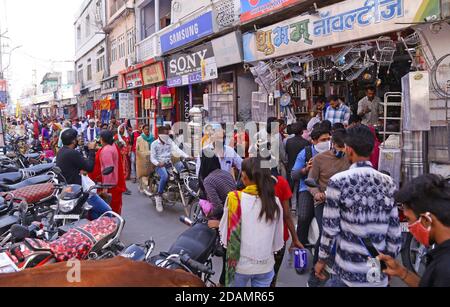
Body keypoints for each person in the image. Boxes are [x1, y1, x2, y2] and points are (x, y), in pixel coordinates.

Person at [315, 125, 402, 287]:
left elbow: (330, 228)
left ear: (349, 150)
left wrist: (321, 260)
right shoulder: (388, 182)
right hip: (376, 270)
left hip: (348, 271)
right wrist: (388, 264)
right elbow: (394, 233)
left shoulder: (338, 182)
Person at [219, 157, 284, 287]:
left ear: (244, 177)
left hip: (239, 266)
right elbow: (277, 243)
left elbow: (225, 236)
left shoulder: (234, 198)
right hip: (265, 266)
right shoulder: (275, 201)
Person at [378, 174, 450, 287]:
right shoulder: (442, 259)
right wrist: (401, 272)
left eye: (408, 219)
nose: (410, 227)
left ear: (426, 220)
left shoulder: (444, 269)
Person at [306, 129, 351, 287]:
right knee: (325, 233)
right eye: (339, 147)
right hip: (324, 201)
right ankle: (315, 272)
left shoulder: (351, 158)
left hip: (345, 202)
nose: (342, 150)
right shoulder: (319, 159)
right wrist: (317, 193)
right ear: (332, 144)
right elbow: (310, 180)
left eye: (345, 147)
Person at [199, 152, 237, 287]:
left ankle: (222, 283)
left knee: (228, 254)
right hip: (236, 212)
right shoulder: (225, 173)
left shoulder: (208, 180)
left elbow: (218, 207)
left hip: (226, 217)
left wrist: (209, 217)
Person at [56, 129, 112, 219]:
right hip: (78, 191)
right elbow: (89, 167)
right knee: (107, 210)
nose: (78, 139)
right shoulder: (72, 153)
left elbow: (77, 165)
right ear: (73, 141)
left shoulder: (61, 151)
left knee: (94, 212)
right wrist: (92, 150)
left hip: (68, 190)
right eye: (77, 138)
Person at [291, 127, 331, 246]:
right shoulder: (305, 153)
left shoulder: (333, 152)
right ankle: (300, 245)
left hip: (327, 190)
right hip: (307, 189)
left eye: (328, 139)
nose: (326, 142)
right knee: (303, 217)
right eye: (323, 140)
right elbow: (294, 174)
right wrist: (305, 169)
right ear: (313, 141)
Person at [150, 126, 190, 213]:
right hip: (159, 166)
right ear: (159, 134)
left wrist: (187, 156)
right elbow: (152, 158)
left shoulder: (169, 141)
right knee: (164, 176)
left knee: (183, 169)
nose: (166, 135)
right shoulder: (154, 144)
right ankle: (159, 196)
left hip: (169, 164)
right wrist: (158, 163)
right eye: (165, 134)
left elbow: (177, 150)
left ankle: (184, 191)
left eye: (167, 134)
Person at [90, 130, 127, 215]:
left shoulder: (107, 150)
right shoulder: (112, 146)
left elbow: (108, 169)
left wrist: (105, 188)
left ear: (102, 139)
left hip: (109, 185)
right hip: (114, 183)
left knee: (109, 209)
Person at [285, 121, 310, 208]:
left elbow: (286, 153)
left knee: (290, 188)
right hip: (302, 169)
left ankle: (289, 206)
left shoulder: (288, 141)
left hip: (290, 166)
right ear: (302, 131)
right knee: (300, 188)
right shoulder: (306, 143)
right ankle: (299, 207)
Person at [136, 124, 154, 193]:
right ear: (143, 130)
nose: (147, 130)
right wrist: (141, 155)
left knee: (149, 173)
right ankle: (141, 187)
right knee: (142, 173)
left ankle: (149, 186)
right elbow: (137, 149)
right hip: (142, 158)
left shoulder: (152, 137)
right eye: (145, 129)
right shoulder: (139, 138)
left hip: (150, 157)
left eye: (148, 129)